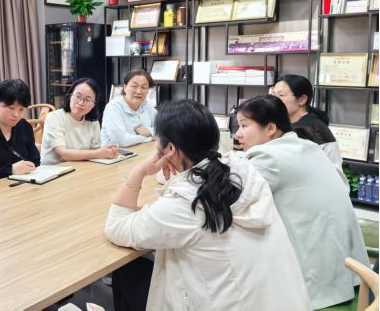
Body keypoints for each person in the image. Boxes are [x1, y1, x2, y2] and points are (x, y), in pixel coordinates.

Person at [105, 99, 310, 311]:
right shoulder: (242, 170)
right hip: (284, 301)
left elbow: (116, 227)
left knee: (128, 271)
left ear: (170, 149)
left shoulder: (185, 204)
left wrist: (138, 172)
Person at [235, 95, 369, 309]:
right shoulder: (306, 145)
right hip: (350, 270)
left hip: (318, 278)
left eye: (244, 125)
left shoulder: (269, 156)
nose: (237, 134)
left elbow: (234, 199)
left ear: (271, 128)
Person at [271, 74, 344, 173]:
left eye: (281, 95)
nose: (274, 100)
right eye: (273, 95)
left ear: (302, 99)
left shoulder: (308, 128)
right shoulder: (289, 123)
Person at [41, 77, 119, 165]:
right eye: (78, 96)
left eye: (87, 99)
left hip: (81, 168)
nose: (81, 103)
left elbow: (95, 153)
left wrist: (107, 151)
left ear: (93, 104)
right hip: (55, 169)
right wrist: (99, 153)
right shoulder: (54, 117)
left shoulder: (93, 122)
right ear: (70, 96)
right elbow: (62, 154)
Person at [101, 69, 157, 147]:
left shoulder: (146, 106)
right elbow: (122, 141)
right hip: (117, 153)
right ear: (125, 87)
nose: (139, 91)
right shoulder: (113, 107)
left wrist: (149, 131)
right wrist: (149, 137)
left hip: (142, 151)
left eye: (144, 87)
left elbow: (164, 129)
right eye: (134, 86)